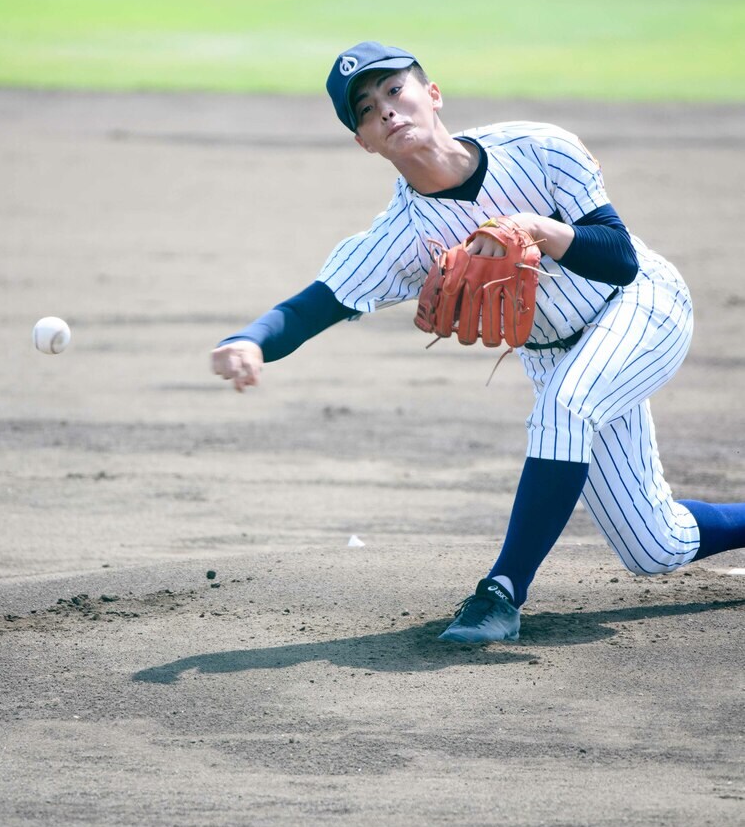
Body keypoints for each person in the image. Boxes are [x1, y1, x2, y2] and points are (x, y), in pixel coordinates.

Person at [211, 41, 745, 644]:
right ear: (365, 142)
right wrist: (250, 341)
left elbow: (619, 259)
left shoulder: (540, 147)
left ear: (432, 95)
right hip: (556, 353)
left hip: (642, 305)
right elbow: (313, 305)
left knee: (564, 410)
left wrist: (536, 229)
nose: (385, 110)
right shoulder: (401, 237)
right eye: (365, 110)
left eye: (394, 90)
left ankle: (501, 592)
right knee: (655, 546)